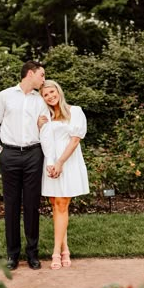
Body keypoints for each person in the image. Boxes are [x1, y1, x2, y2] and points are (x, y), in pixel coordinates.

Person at [0, 61, 55, 271]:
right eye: (42, 75)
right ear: (30, 73)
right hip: (9, 155)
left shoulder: (40, 101)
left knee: (32, 205)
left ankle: (32, 253)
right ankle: (12, 255)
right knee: (11, 205)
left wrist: (46, 123)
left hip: (34, 154)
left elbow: (49, 126)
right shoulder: (5, 95)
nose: (44, 80)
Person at [38, 80, 89, 270]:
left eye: (52, 92)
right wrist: (52, 163)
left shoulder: (75, 111)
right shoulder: (45, 117)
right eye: (46, 95)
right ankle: (65, 248)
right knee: (56, 205)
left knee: (61, 203)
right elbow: (44, 141)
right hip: (51, 163)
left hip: (68, 162)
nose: (50, 96)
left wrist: (60, 162)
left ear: (58, 91)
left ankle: (56, 253)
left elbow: (75, 141)